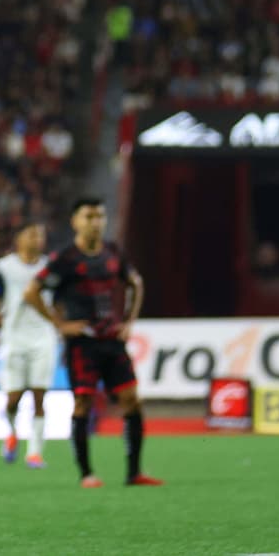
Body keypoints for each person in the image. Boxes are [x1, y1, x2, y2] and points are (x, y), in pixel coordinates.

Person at [23, 198, 163, 488]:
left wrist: (128, 321)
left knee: (132, 401)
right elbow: (31, 292)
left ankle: (134, 472)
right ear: (75, 221)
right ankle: (86, 473)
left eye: (100, 216)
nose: (96, 222)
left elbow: (136, 283)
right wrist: (59, 324)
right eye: (89, 216)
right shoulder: (65, 259)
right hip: (82, 343)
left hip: (112, 340)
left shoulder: (113, 253)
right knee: (83, 403)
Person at [0, 222, 55, 468]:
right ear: (19, 238)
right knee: (13, 398)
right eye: (33, 234)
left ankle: (34, 452)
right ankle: (12, 433)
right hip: (13, 336)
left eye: (40, 234)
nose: (37, 239)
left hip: (44, 335)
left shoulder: (49, 267)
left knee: (39, 395)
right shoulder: (4, 267)